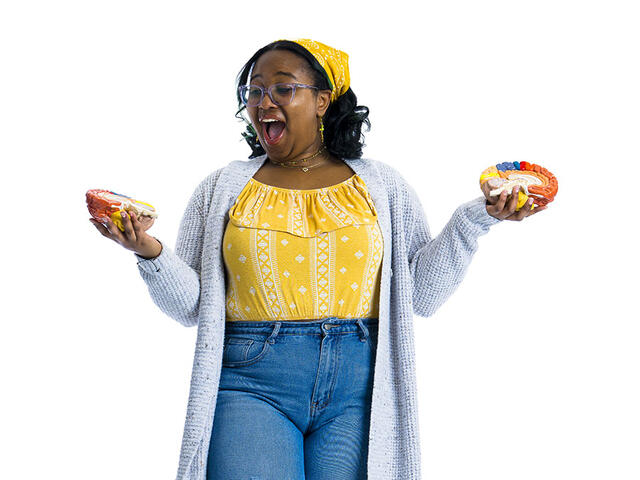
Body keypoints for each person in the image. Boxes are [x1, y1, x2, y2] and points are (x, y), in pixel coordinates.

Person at [90, 39, 545, 480]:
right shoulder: (223, 187)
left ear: (323, 100)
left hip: (360, 384)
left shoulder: (381, 186)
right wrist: (146, 250)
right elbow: (190, 306)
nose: (264, 102)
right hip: (251, 379)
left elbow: (420, 296)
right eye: (254, 92)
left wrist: (476, 219)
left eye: (283, 89)